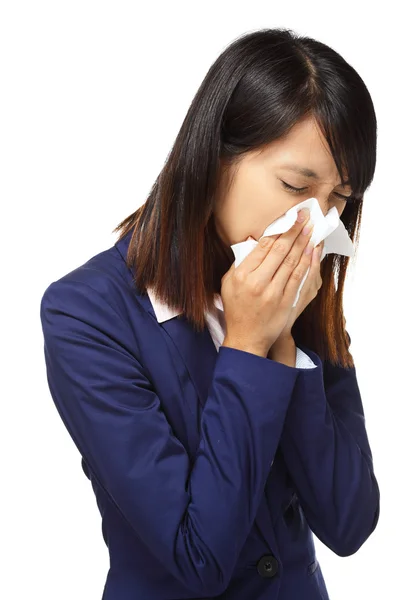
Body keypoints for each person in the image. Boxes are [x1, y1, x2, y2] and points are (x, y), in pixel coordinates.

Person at [40, 27, 380, 600]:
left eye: (340, 199)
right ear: (215, 157)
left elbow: (349, 522)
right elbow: (199, 555)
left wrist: (284, 345)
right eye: (296, 184)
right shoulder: (87, 314)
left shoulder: (305, 288)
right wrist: (248, 345)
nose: (317, 223)